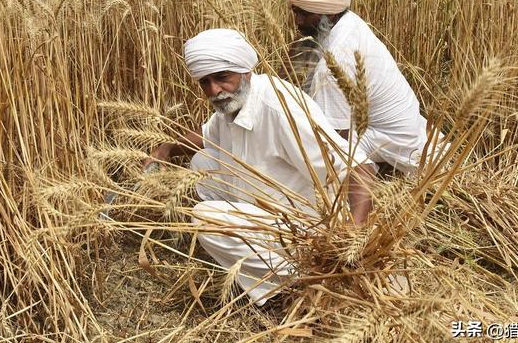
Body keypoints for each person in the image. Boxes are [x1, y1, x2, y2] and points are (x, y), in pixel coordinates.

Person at [144, 28, 376, 305]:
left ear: (245, 71)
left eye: (222, 78)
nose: (214, 91)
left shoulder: (280, 110)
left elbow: (359, 166)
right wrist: (166, 148)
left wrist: (352, 232)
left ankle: (294, 279)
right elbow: (207, 137)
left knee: (205, 218)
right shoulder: (235, 102)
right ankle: (256, 250)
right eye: (204, 82)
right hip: (268, 200)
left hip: (308, 223)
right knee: (202, 164)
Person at [284, 0, 431, 175]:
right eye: (295, 13)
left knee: (300, 141)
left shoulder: (335, 63)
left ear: (330, 14)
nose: (298, 21)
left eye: (305, 14)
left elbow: (336, 137)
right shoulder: (348, 22)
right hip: (407, 128)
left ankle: (368, 174)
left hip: (394, 143)